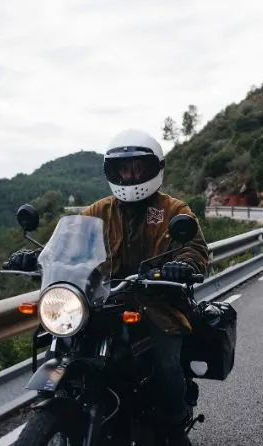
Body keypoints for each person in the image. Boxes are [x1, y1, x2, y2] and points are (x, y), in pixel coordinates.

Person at [83, 129, 209, 445]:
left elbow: (195, 249)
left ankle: (174, 423)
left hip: (159, 303)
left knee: (167, 364)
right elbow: (73, 244)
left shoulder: (173, 210)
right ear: (113, 171)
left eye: (138, 167)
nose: (131, 175)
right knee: (70, 347)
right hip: (106, 302)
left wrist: (184, 264)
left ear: (154, 169)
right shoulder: (99, 211)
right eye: (124, 168)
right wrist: (39, 256)